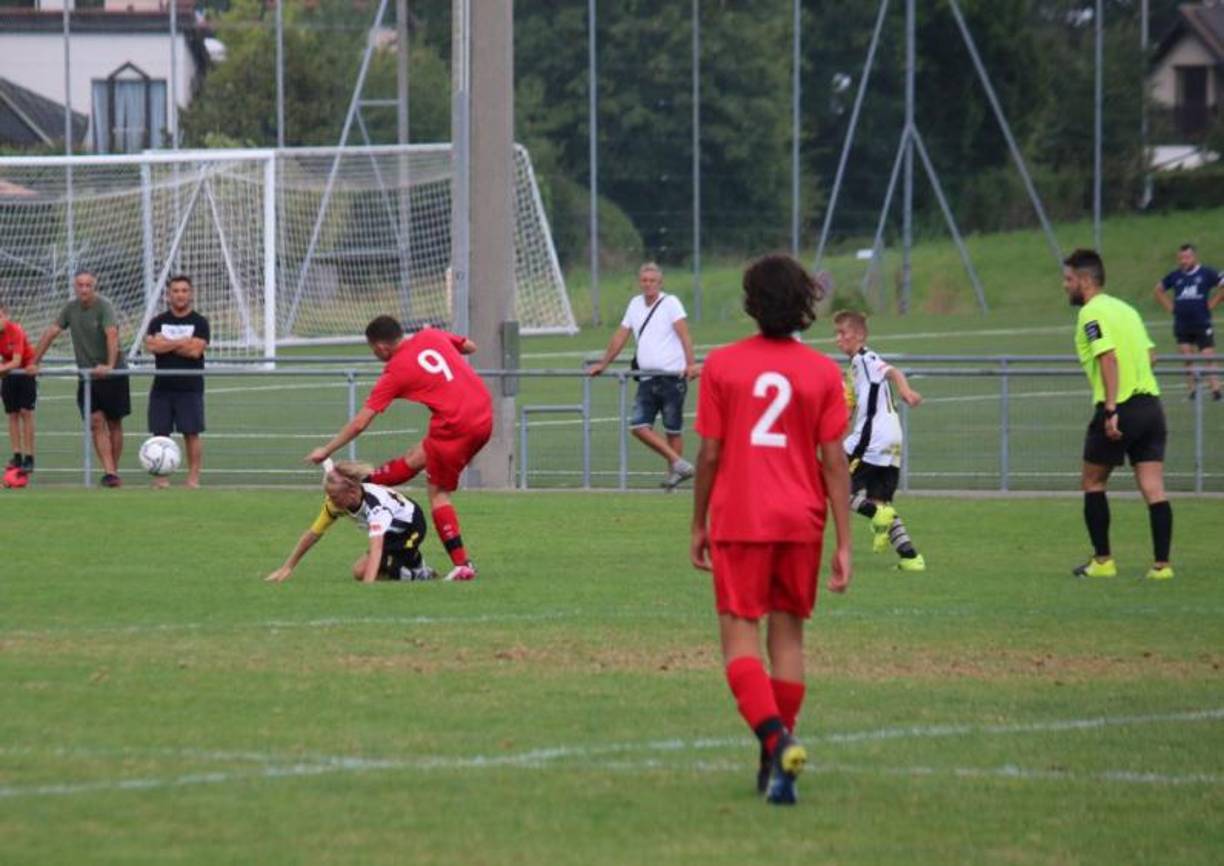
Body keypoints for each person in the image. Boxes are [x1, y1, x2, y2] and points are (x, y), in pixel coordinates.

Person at [690, 253, 852, 806]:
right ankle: (774, 765)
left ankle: (776, 739)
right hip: (802, 521)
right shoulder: (824, 372)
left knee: (740, 637)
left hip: (741, 516)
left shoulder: (723, 366)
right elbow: (835, 463)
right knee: (788, 639)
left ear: (751, 303)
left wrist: (698, 522)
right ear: (804, 304)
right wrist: (845, 543)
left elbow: (710, 454)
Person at [306, 316, 492, 582]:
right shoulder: (430, 335)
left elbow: (360, 423)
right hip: (483, 412)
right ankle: (367, 484)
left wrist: (326, 450)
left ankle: (463, 565)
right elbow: (470, 347)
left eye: (373, 351)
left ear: (381, 347)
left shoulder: (395, 371)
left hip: (455, 424)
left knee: (438, 493)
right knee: (418, 456)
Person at [1065, 248, 1174, 581]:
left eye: (1068, 279)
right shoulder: (1127, 310)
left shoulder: (1091, 313)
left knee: (1092, 481)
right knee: (1153, 488)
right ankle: (1162, 566)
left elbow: (1107, 357)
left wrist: (1112, 408)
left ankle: (1103, 561)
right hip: (1151, 406)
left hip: (1119, 407)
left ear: (1085, 280)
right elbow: (1151, 356)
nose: (1065, 285)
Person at [588, 263, 701, 490]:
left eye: (652, 281)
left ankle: (674, 477)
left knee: (673, 429)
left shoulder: (671, 303)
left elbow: (684, 335)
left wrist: (691, 365)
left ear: (660, 283)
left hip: (672, 376)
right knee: (638, 426)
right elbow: (620, 336)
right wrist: (604, 363)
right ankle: (679, 463)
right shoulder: (635, 304)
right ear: (640, 282)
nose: (648, 284)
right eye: (644, 280)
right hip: (647, 378)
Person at [832, 310, 926, 572]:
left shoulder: (865, 358)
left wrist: (905, 391)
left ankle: (877, 516)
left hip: (873, 436)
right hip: (891, 440)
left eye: (843, 333)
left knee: (835, 487)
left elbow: (892, 371)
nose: (838, 339)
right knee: (879, 502)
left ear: (859, 335)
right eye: (836, 333)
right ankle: (910, 558)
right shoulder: (854, 369)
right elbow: (849, 407)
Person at [29, 269, 131, 488]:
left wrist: (110, 365)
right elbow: (51, 332)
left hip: (113, 373)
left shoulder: (104, 306)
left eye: (88, 285)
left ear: (94, 286)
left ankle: (114, 470)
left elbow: (112, 334)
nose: (84, 289)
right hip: (88, 376)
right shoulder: (70, 308)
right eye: (80, 285)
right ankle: (109, 472)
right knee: (95, 421)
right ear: (75, 287)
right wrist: (34, 361)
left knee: (114, 422)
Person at [265, 460, 436, 584]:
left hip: (410, 527)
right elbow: (313, 534)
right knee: (363, 570)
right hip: (388, 532)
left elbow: (376, 547)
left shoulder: (376, 508)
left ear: (352, 492)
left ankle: (419, 574)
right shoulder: (335, 504)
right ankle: (415, 565)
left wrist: (367, 586)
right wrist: (287, 567)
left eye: (335, 496)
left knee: (364, 571)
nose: (331, 501)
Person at [144, 275, 210, 488]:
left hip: (190, 388)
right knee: (160, 434)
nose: (180, 295)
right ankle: (161, 478)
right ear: (168, 295)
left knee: (191, 433)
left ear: (191, 294)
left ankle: (193, 478)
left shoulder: (200, 322)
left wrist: (167, 343)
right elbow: (152, 347)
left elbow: (195, 351)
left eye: (184, 291)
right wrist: (182, 342)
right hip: (162, 388)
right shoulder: (157, 321)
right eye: (175, 291)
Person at [1153, 243, 1222, 400]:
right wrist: (1171, 308)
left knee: (1208, 356)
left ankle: (1216, 389)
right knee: (1187, 357)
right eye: (1181, 258)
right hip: (1182, 324)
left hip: (1202, 322)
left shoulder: (1206, 273)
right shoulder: (1175, 276)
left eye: (1187, 257)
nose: (1184, 261)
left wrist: (1212, 303)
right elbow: (1158, 290)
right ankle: (1192, 390)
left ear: (1194, 257)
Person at [0, 301, 37, 487]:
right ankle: (17, 455)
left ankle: (29, 457)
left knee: (25, 412)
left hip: (24, 371)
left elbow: (16, 361)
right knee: (12, 414)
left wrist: (2, 369)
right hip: (9, 374)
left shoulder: (15, 331)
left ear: (6, 316)